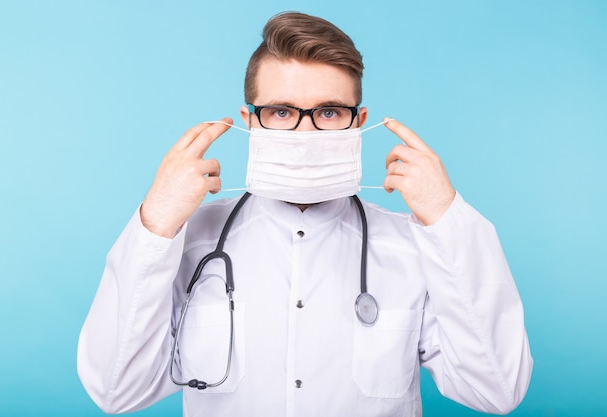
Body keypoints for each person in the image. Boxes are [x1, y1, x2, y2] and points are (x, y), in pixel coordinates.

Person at [77, 11, 532, 417]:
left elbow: (496, 391)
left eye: (329, 112)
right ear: (250, 120)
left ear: (358, 120)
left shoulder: (415, 246)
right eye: (280, 112)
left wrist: (448, 221)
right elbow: (117, 392)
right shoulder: (189, 242)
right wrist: (155, 224)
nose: (304, 132)